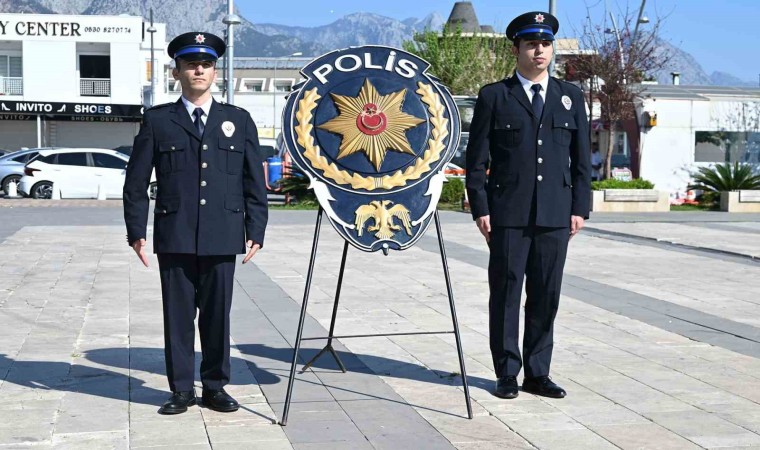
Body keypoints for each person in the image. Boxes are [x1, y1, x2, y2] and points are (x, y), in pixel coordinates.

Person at [123, 32, 268, 414]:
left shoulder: (238, 120)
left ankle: (215, 386)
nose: (198, 70)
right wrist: (136, 232)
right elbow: (135, 182)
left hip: (223, 234)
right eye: (191, 64)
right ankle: (182, 390)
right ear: (177, 72)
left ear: (214, 71)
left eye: (205, 64)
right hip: (176, 234)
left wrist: (257, 231)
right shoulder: (158, 121)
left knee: (218, 317)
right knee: (178, 318)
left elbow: (254, 180)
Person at [465, 11, 591, 400]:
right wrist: (481, 208)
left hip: (555, 212)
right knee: (505, 291)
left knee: (546, 293)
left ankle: (538, 372)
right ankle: (506, 372)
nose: (540, 51)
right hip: (508, 213)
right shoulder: (494, 96)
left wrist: (579, 208)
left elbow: (581, 158)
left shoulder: (570, 96)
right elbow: (477, 161)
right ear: (516, 48)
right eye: (532, 44)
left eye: (546, 44)